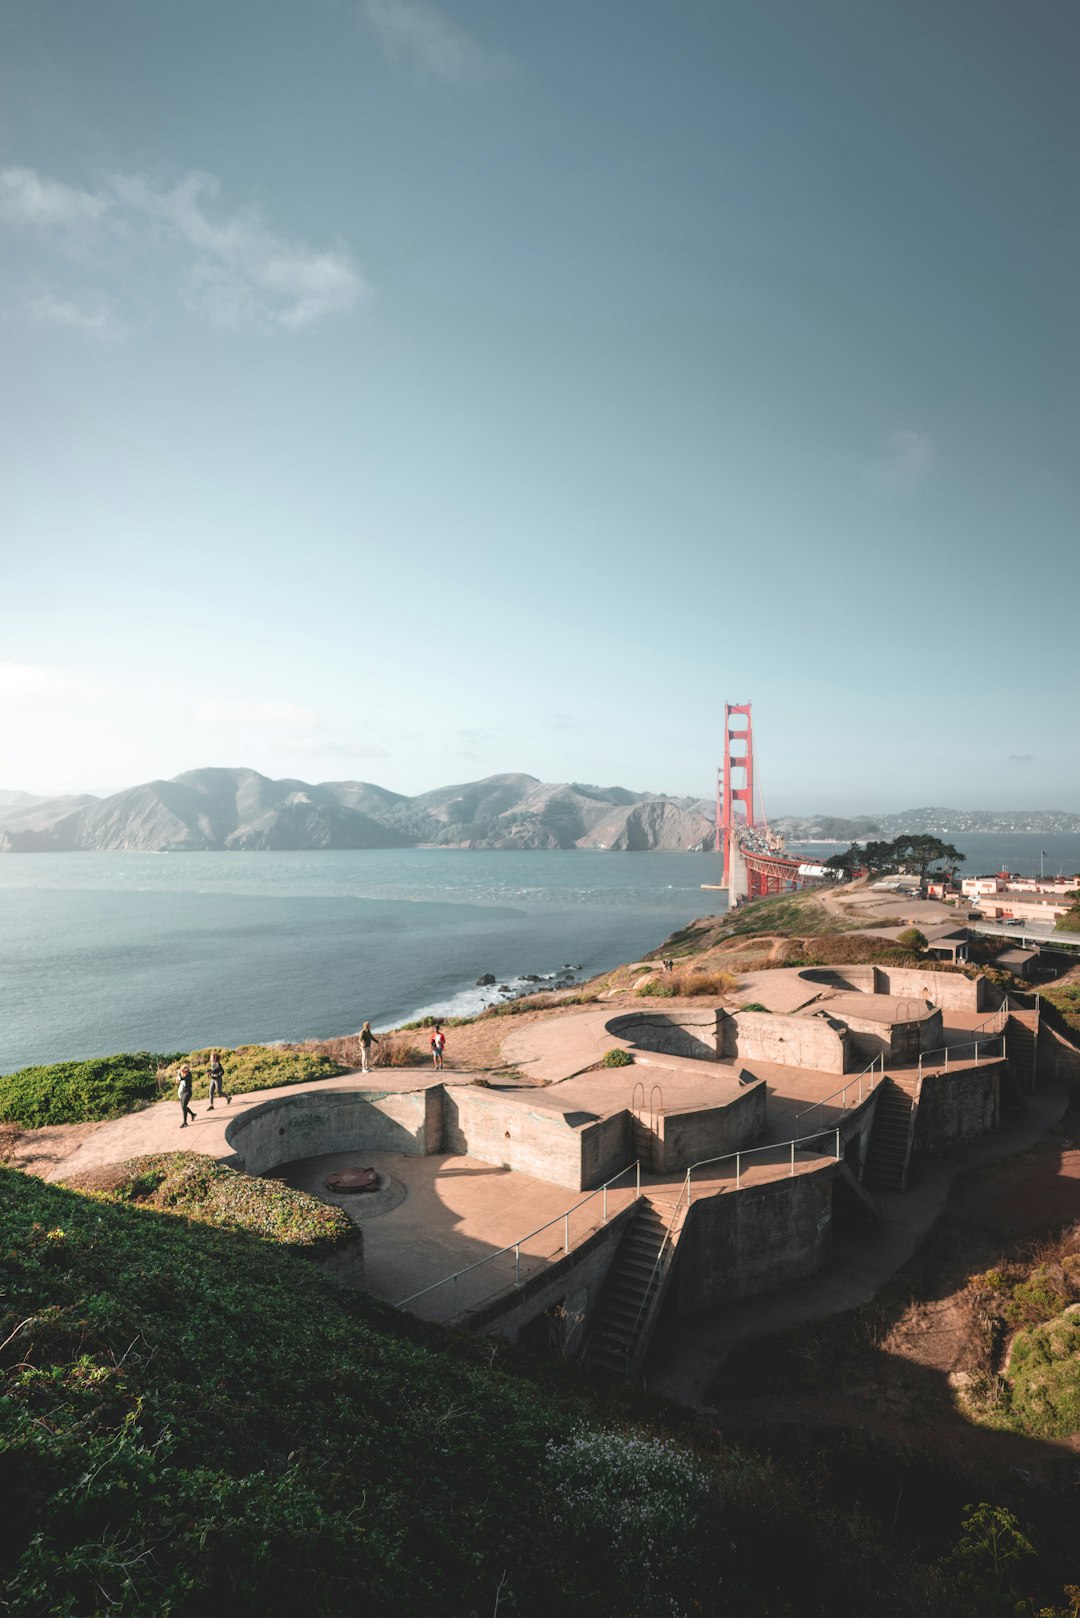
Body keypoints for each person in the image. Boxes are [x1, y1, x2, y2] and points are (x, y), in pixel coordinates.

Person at [177, 1063, 196, 1128]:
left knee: (183, 1106)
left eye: (183, 1070)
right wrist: (179, 1074)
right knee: (183, 1107)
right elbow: (178, 1080)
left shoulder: (188, 1074)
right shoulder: (185, 1074)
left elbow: (182, 1078)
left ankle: (185, 1122)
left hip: (188, 1092)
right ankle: (193, 1114)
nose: (182, 1071)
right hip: (183, 1092)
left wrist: (179, 1073)